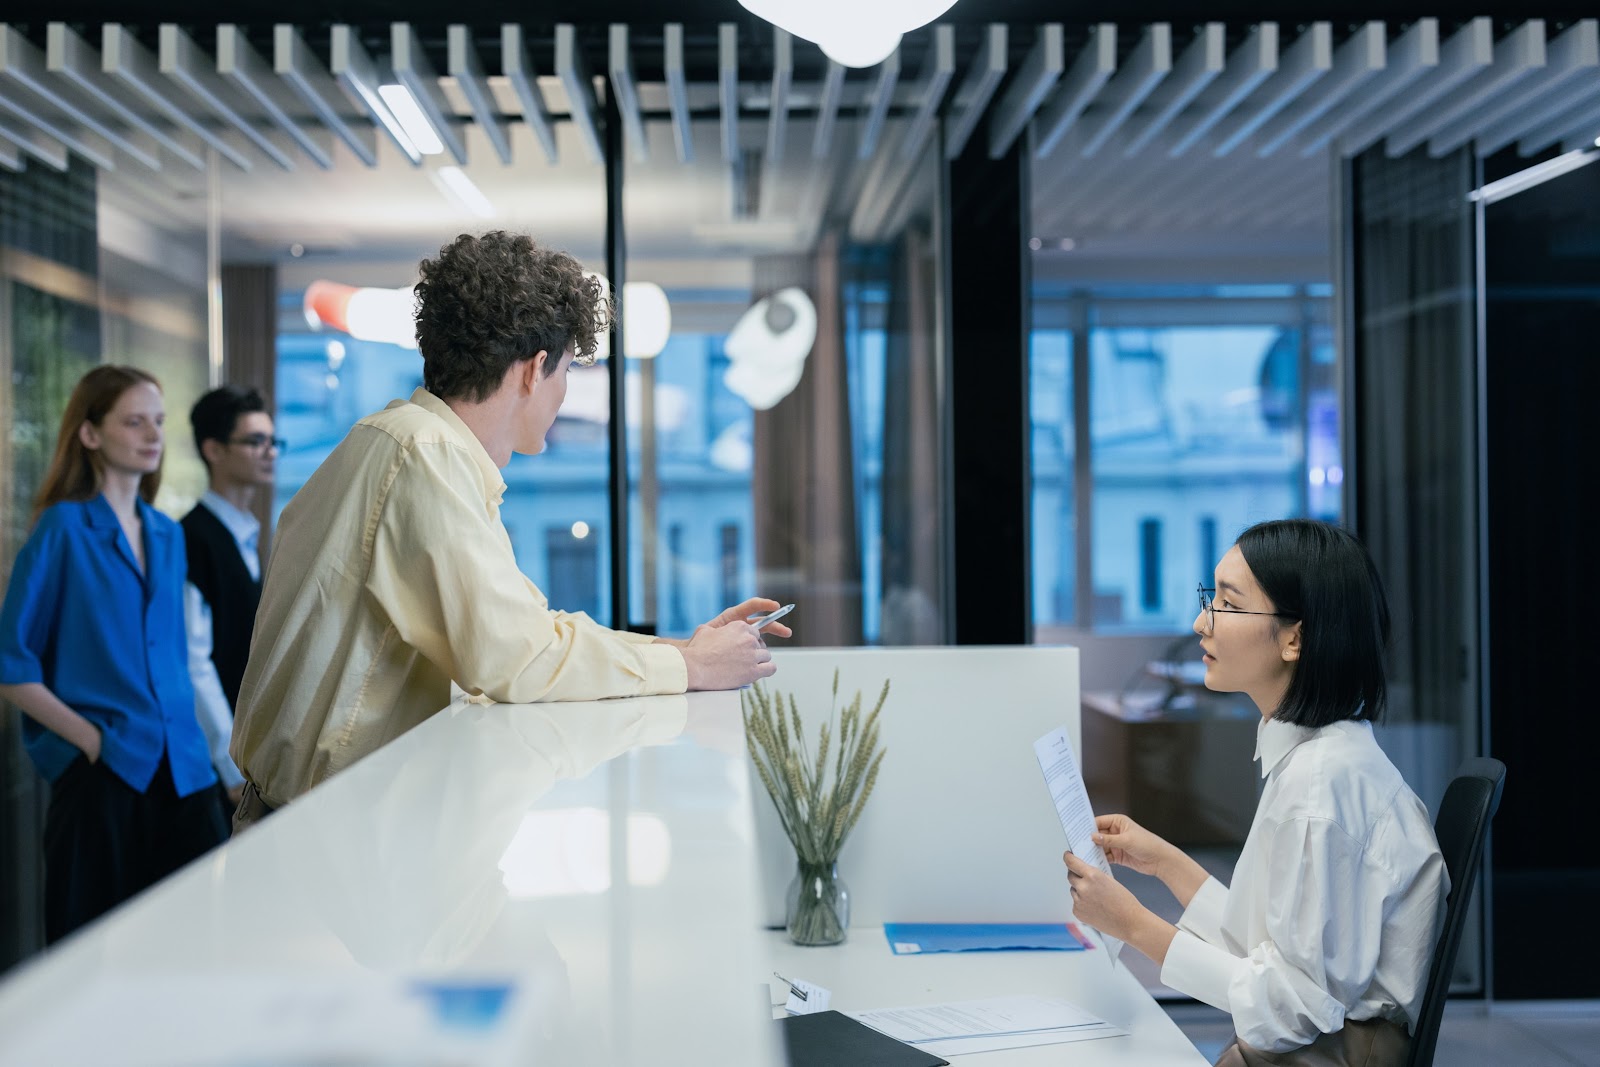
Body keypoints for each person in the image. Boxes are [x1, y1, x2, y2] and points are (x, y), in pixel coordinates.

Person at [230, 231, 790, 829]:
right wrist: (694, 669)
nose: (565, 392)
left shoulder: (405, 442)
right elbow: (516, 659)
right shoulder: (426, 458)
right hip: (322, 834)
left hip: (326, 823)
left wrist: (682, 649)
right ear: (533, 371)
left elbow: (526, 632)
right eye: (568, 371)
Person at [1061, 519, 1447, 1067]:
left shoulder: (1321, 787)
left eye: (1228, 603)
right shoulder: (1323, 758)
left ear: (1296, 637)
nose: (1201, 623)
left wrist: (1133, 925)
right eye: (1209, 598)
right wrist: (1167, 862)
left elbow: (1296, 1004)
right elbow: (1271, 946)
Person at [0, 365, 228, 942]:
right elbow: (11, 663)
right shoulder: (64, 529)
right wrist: (91, 741)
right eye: (133, 421)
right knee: (95, 967)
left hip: (187, 775)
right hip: (105, 779)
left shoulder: (167, 533)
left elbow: (174, 660)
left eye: (158, 421)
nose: (153, 435)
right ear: (90, 434)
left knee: (193, 952)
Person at [182, 385, 278, 812]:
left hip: (249, 750)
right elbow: (193, 661)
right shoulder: (192, 538)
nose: (269, 451)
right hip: (217, 765)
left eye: (273, 441)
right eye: (255, 441)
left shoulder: (245, 533)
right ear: (214, 450)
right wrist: (230, 762)